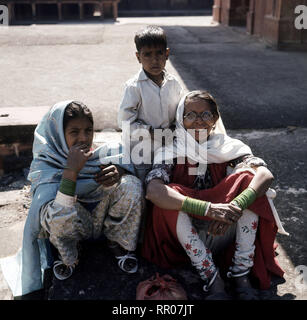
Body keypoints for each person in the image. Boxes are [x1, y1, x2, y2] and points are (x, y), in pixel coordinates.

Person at [141, 91, 288, 300]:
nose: (199, 121)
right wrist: (209, 209)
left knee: (249, 179)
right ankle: (212, 277)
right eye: (190, 115)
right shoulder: (171, 151)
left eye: (206, 115)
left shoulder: (228, 147)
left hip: (224, 230)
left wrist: (235, 207)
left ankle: (241, 274)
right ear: (180, 120)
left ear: (215, 119)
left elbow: (265, 175)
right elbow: (153, 191)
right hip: (184, 235)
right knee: (168, 194)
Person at [0, 101, 143, 297]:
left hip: (102, 223)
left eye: (88, 130)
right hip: (72, 227)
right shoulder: (47, 164)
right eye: (74, 132)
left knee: (132, 184)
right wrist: (71, 171)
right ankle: (70, 252)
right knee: (58, 207)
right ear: (57, 134)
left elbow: (130, 169)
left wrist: (119, 171)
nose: (83, 138)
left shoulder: (103, 155)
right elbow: (50, 215)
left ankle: (117, 242)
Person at [117, 25, 184, 182]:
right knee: (143, 187)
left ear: (166, 54)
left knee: (165, 182)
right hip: (141, 153)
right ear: (138, 57)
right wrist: (151, 132)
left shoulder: (174, 84)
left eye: (159, 53)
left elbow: (179, 114)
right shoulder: (134, 87)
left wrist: (175, 128)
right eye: (147, 55)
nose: (154, 60)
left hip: (167, 149)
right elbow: (124, 122)